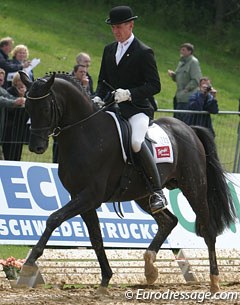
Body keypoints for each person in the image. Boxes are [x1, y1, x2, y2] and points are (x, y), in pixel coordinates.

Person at [93, 5, 167, 214]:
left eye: (119, 27)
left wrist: (130, 93)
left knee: (135, 142)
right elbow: (102, 81)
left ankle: (157, 191)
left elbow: (155, 85)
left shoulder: (143, 52)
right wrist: (98, 96)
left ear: (130, 25)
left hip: (137, 109)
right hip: (113, 108)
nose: (116, 31)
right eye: (113, 28)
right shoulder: (109, 50)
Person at [168, 43, 202, 122]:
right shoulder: (181, 62)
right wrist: (173, 75)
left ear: (189, 52)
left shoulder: (194, 62)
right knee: (176, 120)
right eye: (181, 49)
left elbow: (196, 79)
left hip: (187, 98)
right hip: (178, 97)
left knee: (182, 122)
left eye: (184, 50)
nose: (181, 51)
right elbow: (179, 78)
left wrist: (187, 89)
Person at [2, 72, 29, 160]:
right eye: (20, 80)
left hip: (20, 129)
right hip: (10, 128)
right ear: (15, 81)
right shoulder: (10, 91)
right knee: (9, 154)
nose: (22, 83)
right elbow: (9, 108)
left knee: (18, 154)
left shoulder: (27, 93)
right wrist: (19, 98)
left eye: (24, 81)